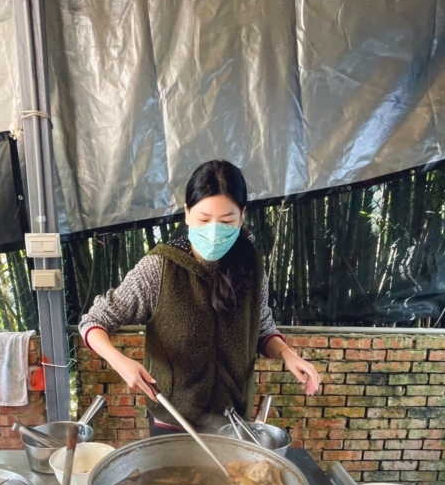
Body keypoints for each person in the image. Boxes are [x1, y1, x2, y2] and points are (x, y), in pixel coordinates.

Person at [79, 160, 321, 435]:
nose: (214, 230)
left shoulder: (251, 264)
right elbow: (95, 321)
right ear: (186, 213)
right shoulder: (161, 267)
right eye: (204, 220)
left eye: (227, 221)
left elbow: (261, 324)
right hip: (173, 420)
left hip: (233, 419)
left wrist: (287, 354)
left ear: (242, 215)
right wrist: (119, 360)